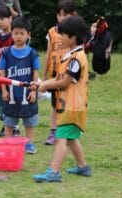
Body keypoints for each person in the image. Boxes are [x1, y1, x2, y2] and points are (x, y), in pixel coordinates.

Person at [33, 16, 92, 182]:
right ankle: (83, 167)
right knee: (71, 138)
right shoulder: (70, 56)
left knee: (60, 138)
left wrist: (45, 86)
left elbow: (65, 82)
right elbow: (60, 78)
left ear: (72, 37)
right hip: (68, 105)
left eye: (63, 35)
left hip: (72, 106)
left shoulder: (76, 58)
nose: (60, 38)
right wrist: (41, 84)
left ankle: (53, 172)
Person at [0, 17, 40, 154]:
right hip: (10, 94)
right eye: (16, 33)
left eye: (22, 33)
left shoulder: (33, 53)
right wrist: (3, 90)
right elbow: (2, 74)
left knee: (29, 120)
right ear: (12, 34)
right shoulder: (6, 53)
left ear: (28, 35)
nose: (19, 36)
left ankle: (29, 143)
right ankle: (8, 143)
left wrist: (34, 91)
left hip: (27, 94)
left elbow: (35, 73)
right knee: (9, 120)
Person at [42, 0, 76, 146]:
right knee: (55, 104)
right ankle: (53, 131)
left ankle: (68, 130)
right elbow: (48, 53)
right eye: (60, 15)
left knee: (68, 102)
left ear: (72, 15)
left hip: (69, 73)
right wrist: (44, 76)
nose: (62, 18)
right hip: (55, 73)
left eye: (66, 15)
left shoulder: (75, 33)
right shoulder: (51, 32)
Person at [0, 6, 20, 137]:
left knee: (11, 104)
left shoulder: (15, 37)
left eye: (3, 18)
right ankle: (6, 125)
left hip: (11, 78)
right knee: (1, 107)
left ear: (10, 19)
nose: (0, 22)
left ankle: (15, 128)